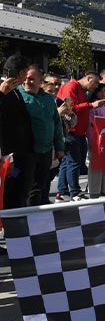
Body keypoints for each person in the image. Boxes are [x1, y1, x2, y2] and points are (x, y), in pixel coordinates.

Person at [20, 66, 65, 206]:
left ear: (40, 80)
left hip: (45, 151)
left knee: (39, 187)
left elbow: (57, 124)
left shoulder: (47, 99)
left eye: (32, 79)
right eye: (25, 78)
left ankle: (35, 217)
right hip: (26, 152)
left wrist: (59, 147)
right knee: (24, 189)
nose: (27, 81)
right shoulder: (17, 96)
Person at [57, 71, 100, 200]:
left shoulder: (79, 89)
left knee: (68, 162)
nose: (96, 86)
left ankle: (62, 191)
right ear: (89, 78)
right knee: (74, 162)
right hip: (72, 131)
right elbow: (70, 108)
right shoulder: (71, 86)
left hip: (78, 131)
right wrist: (91, 105)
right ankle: (74, 191)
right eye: (96, 82)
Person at [1, 54, 35, 208]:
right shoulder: (4, 91)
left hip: (23, 154)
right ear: (20, 73)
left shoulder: (15, 91)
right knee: (11, 196)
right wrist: (7, 157)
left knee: (20, 195)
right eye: (26, 73)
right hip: (10, 156)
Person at [86, 84, 105, 198]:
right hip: (96, 140)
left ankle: (102, 189)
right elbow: (90, 124)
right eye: (100, 91)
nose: (103, 93)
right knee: (95, 165)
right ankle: (94, 190)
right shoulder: (93, 107)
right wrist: (92, 138)